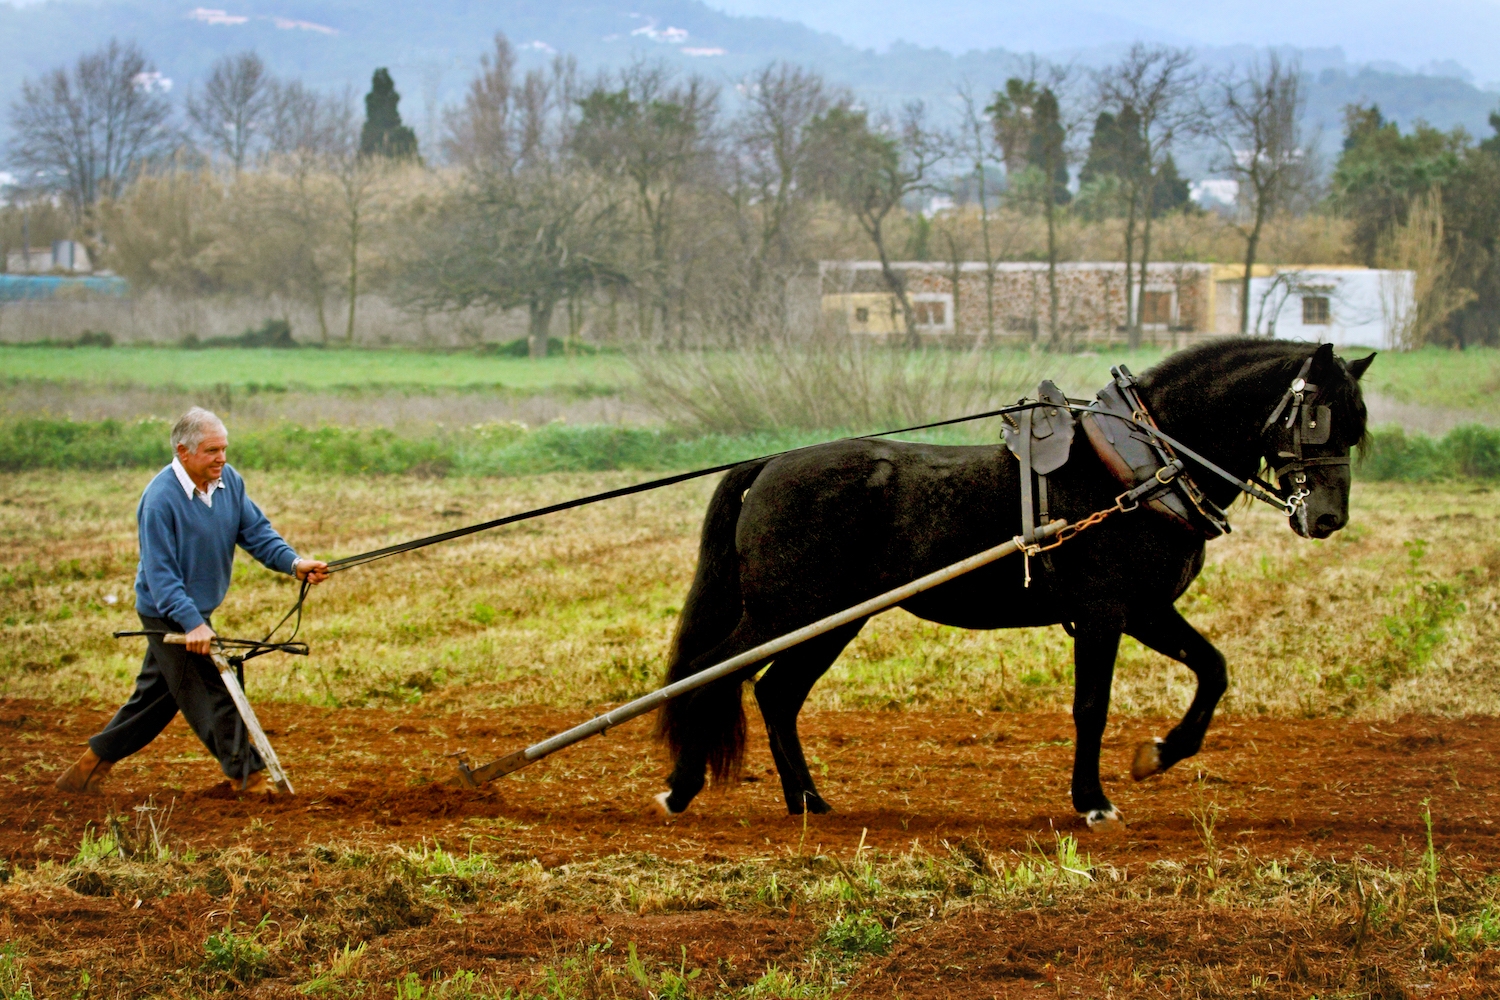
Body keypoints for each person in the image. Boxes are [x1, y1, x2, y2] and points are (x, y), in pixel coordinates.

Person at [55, 407, 329, 796]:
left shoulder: (228, 482)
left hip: (197, 610)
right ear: (183, 452)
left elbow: (256, 532)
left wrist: (295, 564)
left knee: (156, 699)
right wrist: (192, 624)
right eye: (212, 450)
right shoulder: (160, 500)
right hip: (167, 610)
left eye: (224, 449)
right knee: (213, 688)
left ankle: (88, 768)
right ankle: (247, 776)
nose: (222, 458)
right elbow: (160, 575)